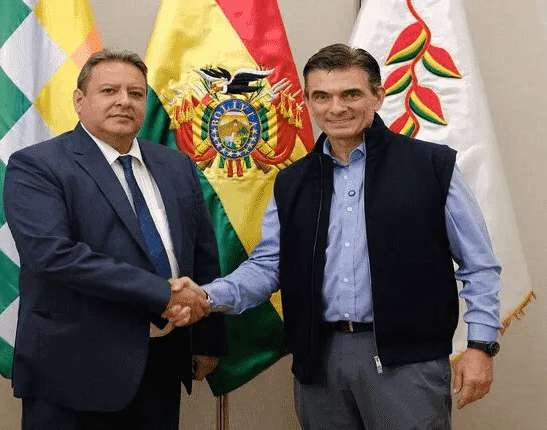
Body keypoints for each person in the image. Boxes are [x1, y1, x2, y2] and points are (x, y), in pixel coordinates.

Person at [170, 43, 502, 429]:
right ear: (307, 102)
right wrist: (208, 296)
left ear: (378, 96)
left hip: (407, 362)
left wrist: (480, 346)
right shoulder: (293, 182)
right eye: (322, 96)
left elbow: (479, 266)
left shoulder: (432, 166)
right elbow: (267, 266)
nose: (336, 108)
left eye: (351, 94)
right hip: (319, 361)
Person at [3, 48, 227, 430]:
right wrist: (162, 293)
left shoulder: (176, 165)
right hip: (73, 371)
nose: (124, 101)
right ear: (79, 100)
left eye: (135, 93)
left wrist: (207, 339)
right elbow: (53, 255)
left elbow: (201, 252)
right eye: (109, 91)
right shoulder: (38, 165)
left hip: (160, 363)